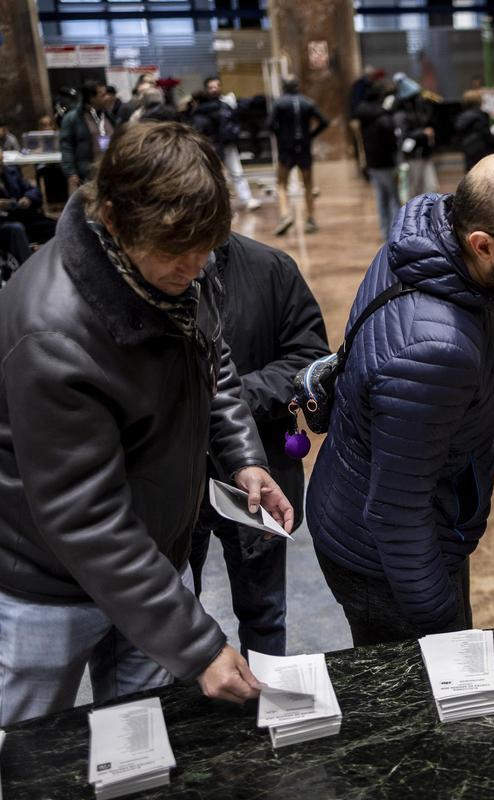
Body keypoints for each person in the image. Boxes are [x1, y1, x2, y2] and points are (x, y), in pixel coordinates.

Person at [0, 121, 294, 726]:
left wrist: (245, 457)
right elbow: (85, 518)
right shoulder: (51, 335)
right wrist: (197, 644)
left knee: (140, 746)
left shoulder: (178, 266)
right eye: (176, 252)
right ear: (111, 219)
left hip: (151, 568)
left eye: (206, 247)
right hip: (48, 588)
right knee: (26, 756)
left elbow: (212, 360)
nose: (195, 265)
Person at [307, 153, 494, 645]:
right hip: (386, 563)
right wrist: (441, 624)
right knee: (421, 703)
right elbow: (395, 515)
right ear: (482, 245)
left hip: (351, 492)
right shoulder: (436, 353)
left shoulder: (425, 233)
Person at [189, 233, 329, 657]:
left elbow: (309, 356)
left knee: (264, 612)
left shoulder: (272, 268)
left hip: (259, 472)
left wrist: (227, 399)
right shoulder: (157, 275)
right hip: (181, 479)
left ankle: (269, 713)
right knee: (177, 608)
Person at [267, 77, 329, 235]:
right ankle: (311, 219)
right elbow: (324, 121)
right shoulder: (307, 102)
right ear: (297, 86)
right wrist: (311, 135)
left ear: (283, 87)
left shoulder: (279, 103)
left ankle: (285, 215)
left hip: (286, 148)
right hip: (304, 147)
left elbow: (269, 124)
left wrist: (280, 135)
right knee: (308, 184)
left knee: (281, 183)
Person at [194, 76, 261, 211]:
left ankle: (247, 199)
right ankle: (219, 206)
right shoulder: (201, 108)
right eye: (211, 87)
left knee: (237, 172)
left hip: (228, 144)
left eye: (217, 86)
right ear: (206, 89)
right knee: (215, 176)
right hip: (211, 146)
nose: (214, 89)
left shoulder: (226, 104)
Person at [354, 80, 401, 239]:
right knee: (394, 198)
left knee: (381, 198)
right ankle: (395, 233)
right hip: (386, 162)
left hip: (372, 162)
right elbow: (391, 143)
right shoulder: (383, 117)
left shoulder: (363, 117)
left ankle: (384, 232)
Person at [0, 147, 58, 273]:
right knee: (16, 229)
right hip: (4, 223)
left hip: (24, 216)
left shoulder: (11, 171)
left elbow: (34, 190)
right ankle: (29, 272)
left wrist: (28, 198)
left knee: (57, 226)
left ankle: (55, 264)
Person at [60, 81, 117, 193]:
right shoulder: (72, 119)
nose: (107, 97)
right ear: (92, 98)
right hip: (87, 174)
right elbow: (67, 147)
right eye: (103, 95)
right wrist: (71, 173)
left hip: (109, 171)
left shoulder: (108, 115)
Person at [392, 74, 439, 199]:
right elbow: (403, 137)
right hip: (411, 157)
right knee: (413, 190)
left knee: (431, 187)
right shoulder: (401, 115)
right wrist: (423, 133)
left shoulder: (419, 110)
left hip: (424, 153)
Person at [454, 88, 494, 173]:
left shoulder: (461, 117)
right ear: (479, 102)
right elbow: (487, 135)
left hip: (468, 151)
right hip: (482, 152)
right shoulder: (480, 117)